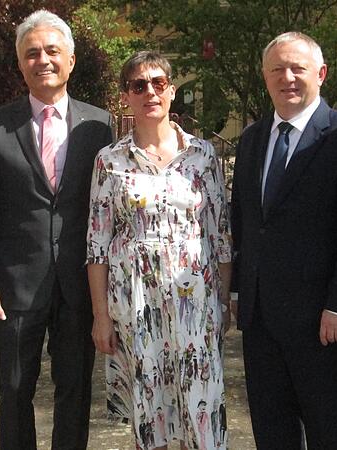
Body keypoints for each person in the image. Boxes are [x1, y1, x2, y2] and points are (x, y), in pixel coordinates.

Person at [0, 10, 113, 450]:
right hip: (14, 288)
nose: (42, 60)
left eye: (52, 51)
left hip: (78, 286)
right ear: (20, 64)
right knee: (13, 391)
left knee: (75, 393)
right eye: (32, 53)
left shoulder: (98, 125)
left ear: (70, 60)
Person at [229, 32, 337, 449]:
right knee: (271, 430)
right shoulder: (253, 139)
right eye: (277, 69)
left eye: (298, 68)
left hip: (322, 321)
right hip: (261, 321)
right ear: (265, 76)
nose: (288, 77)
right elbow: (244, 221)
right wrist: (240, 289)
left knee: (326, 430)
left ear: (321, 73)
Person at [87, 51, 232, 450]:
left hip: (196, 302)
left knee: (200, 408)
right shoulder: (109, 160)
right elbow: (97, 246)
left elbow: (220, 236)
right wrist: (101, 318)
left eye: (158, 83)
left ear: (170, 92)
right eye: (138, 85)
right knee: (152, 415)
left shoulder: (203, 155)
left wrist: (222, 302)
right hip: (135, 304)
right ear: (126, 97)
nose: (149, 91)